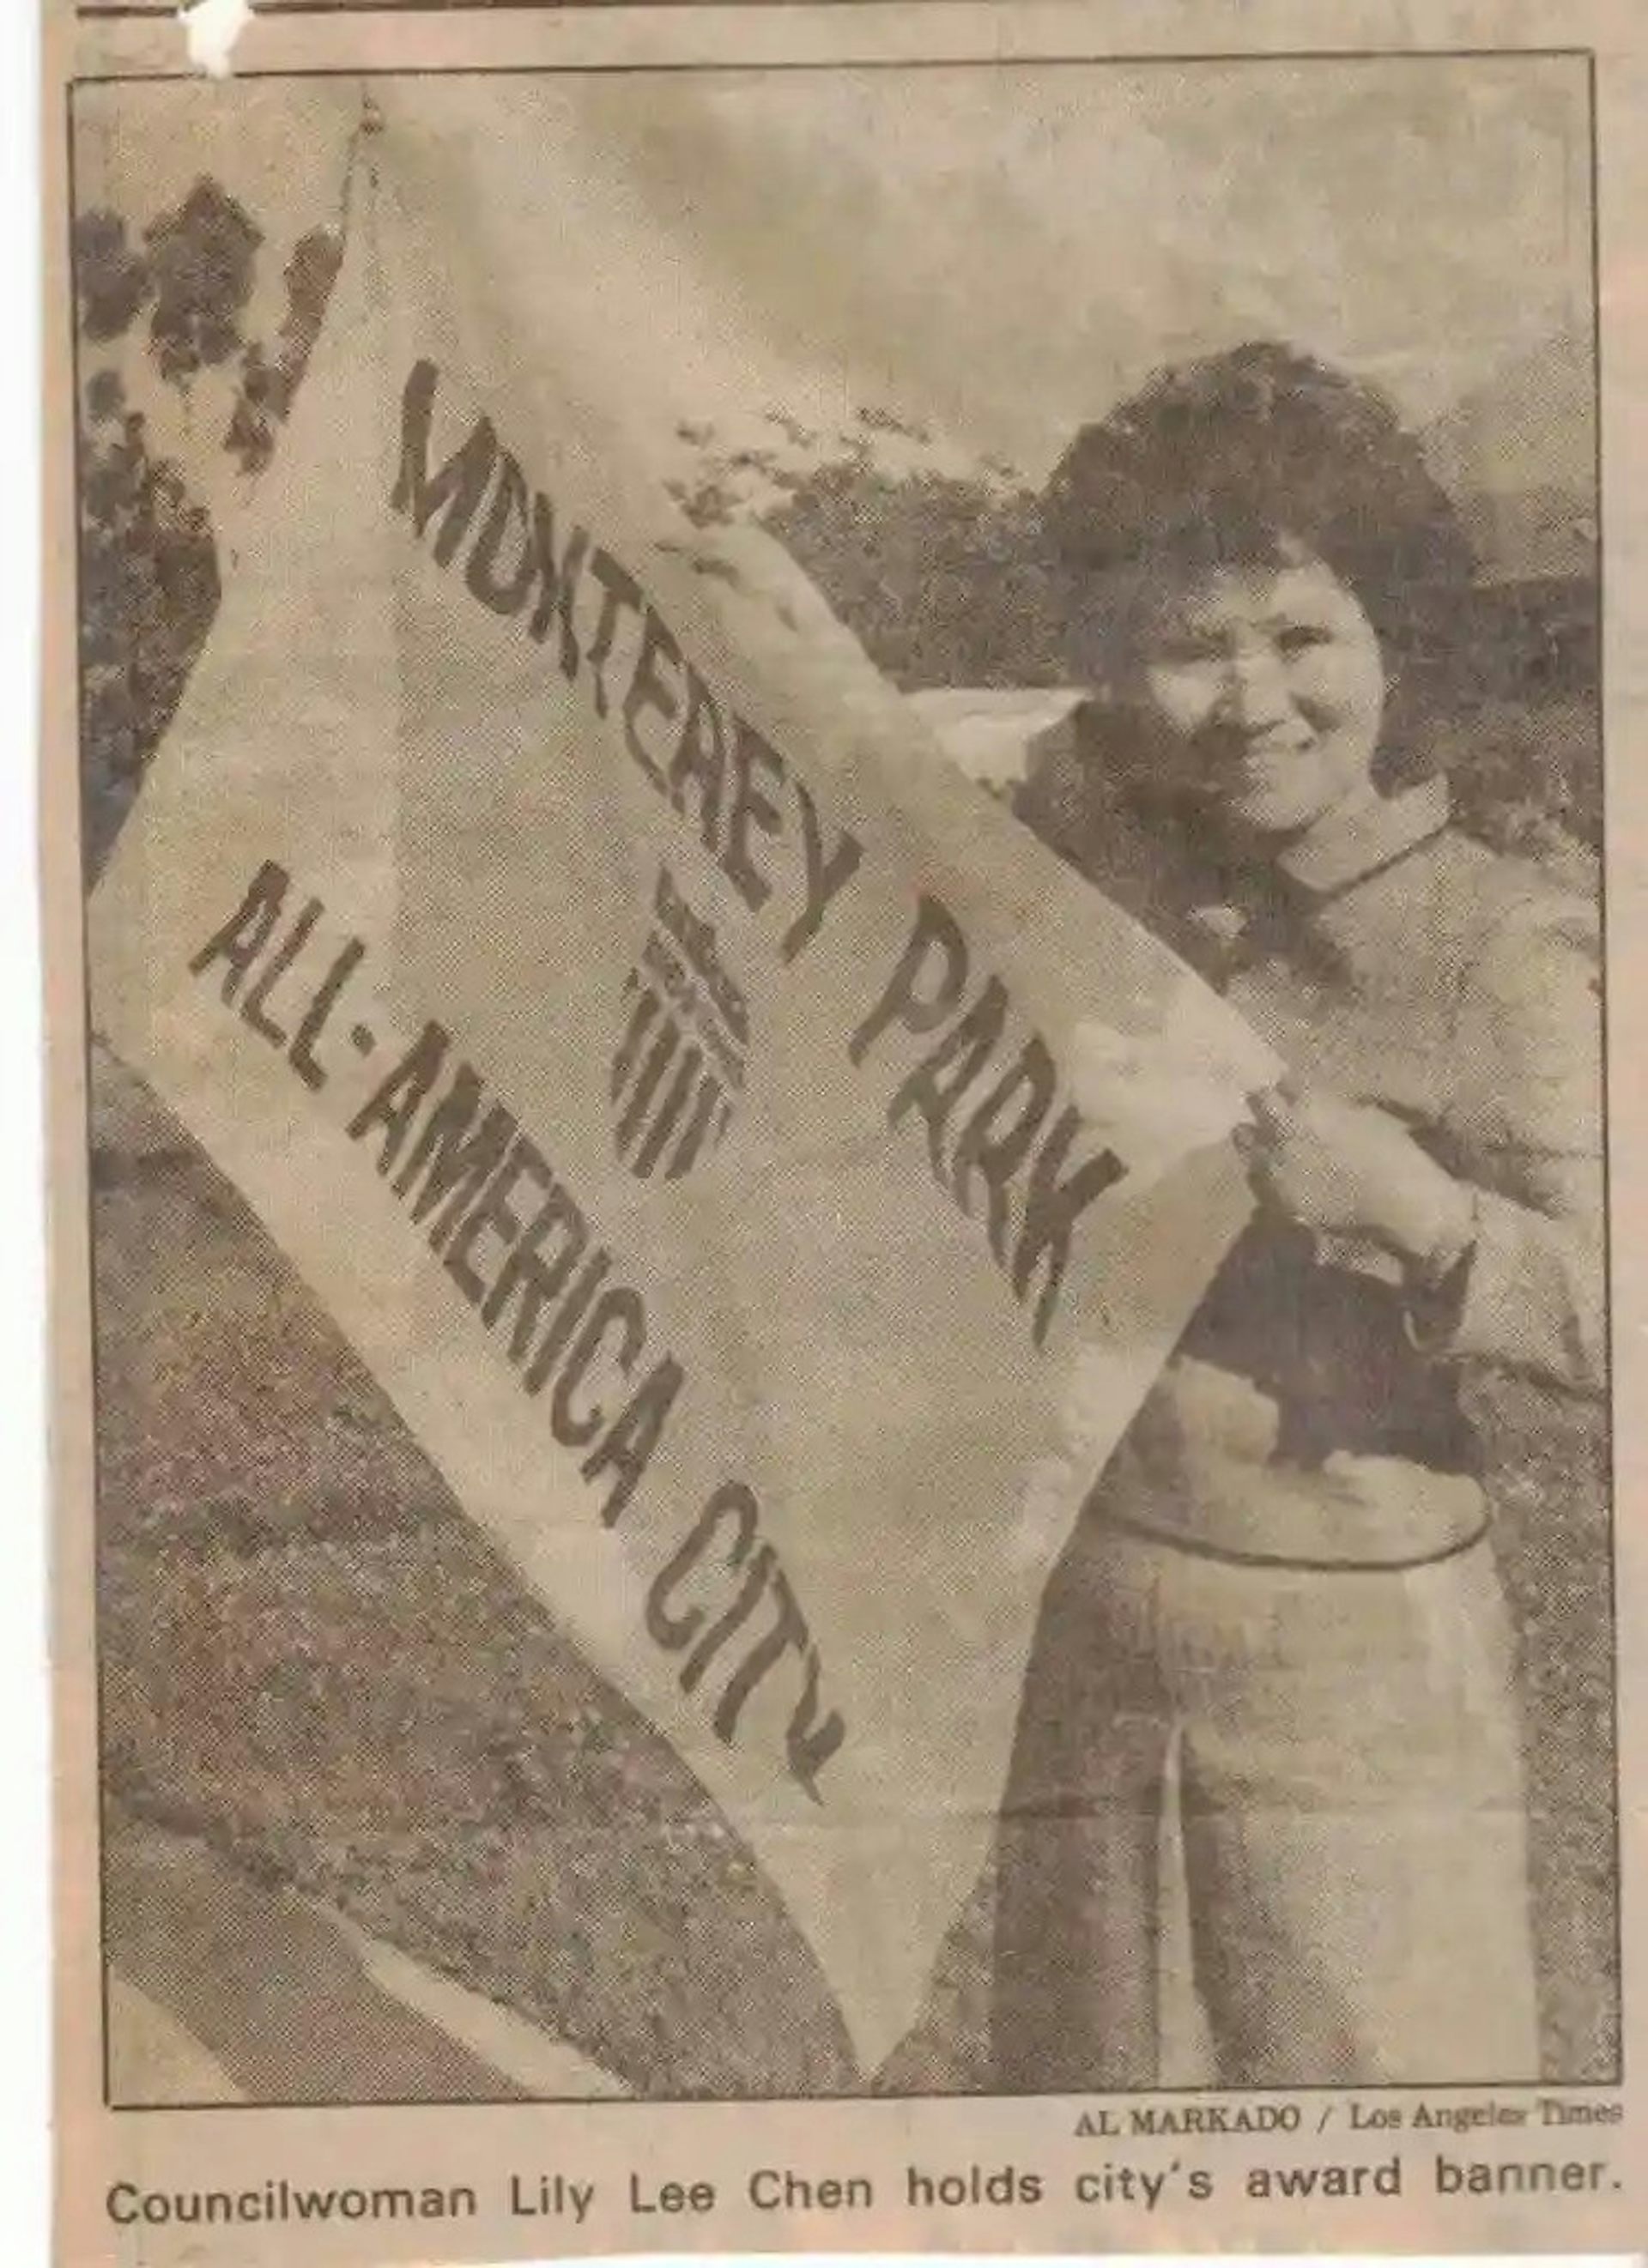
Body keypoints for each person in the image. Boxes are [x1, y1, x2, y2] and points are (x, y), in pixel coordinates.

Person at [992, 342, 1604, 2088]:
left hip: (1361, 1672)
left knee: (1374, 2137)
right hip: (1094, 1630)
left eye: (1302, 632)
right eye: (1193, 644)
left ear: (1394, 644)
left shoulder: (1498, 943)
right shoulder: (1106, 873)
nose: (1252, 696)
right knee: (1090, 2138)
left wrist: (1421, 1216)